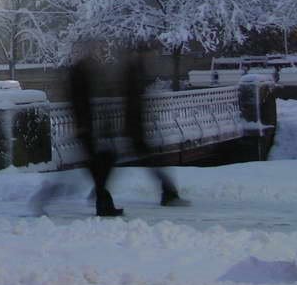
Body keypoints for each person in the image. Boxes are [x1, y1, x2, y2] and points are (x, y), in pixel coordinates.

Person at [31, 57, 123, 217]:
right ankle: (102, 203)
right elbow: (80, 106)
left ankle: (102, 202)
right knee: (94, 169)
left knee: (94, 169)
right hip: (85, 132)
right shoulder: (80, 80)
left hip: (86, 132)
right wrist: (83, 127)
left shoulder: (80, 79)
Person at [122, 53, 188, 207]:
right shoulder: (133, 82)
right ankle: (169, 193)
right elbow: (133, 107)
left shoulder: (131, 81)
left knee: (111, 165)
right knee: (153, 162)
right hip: (135, 131)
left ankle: (100, 192)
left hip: (134, 130)